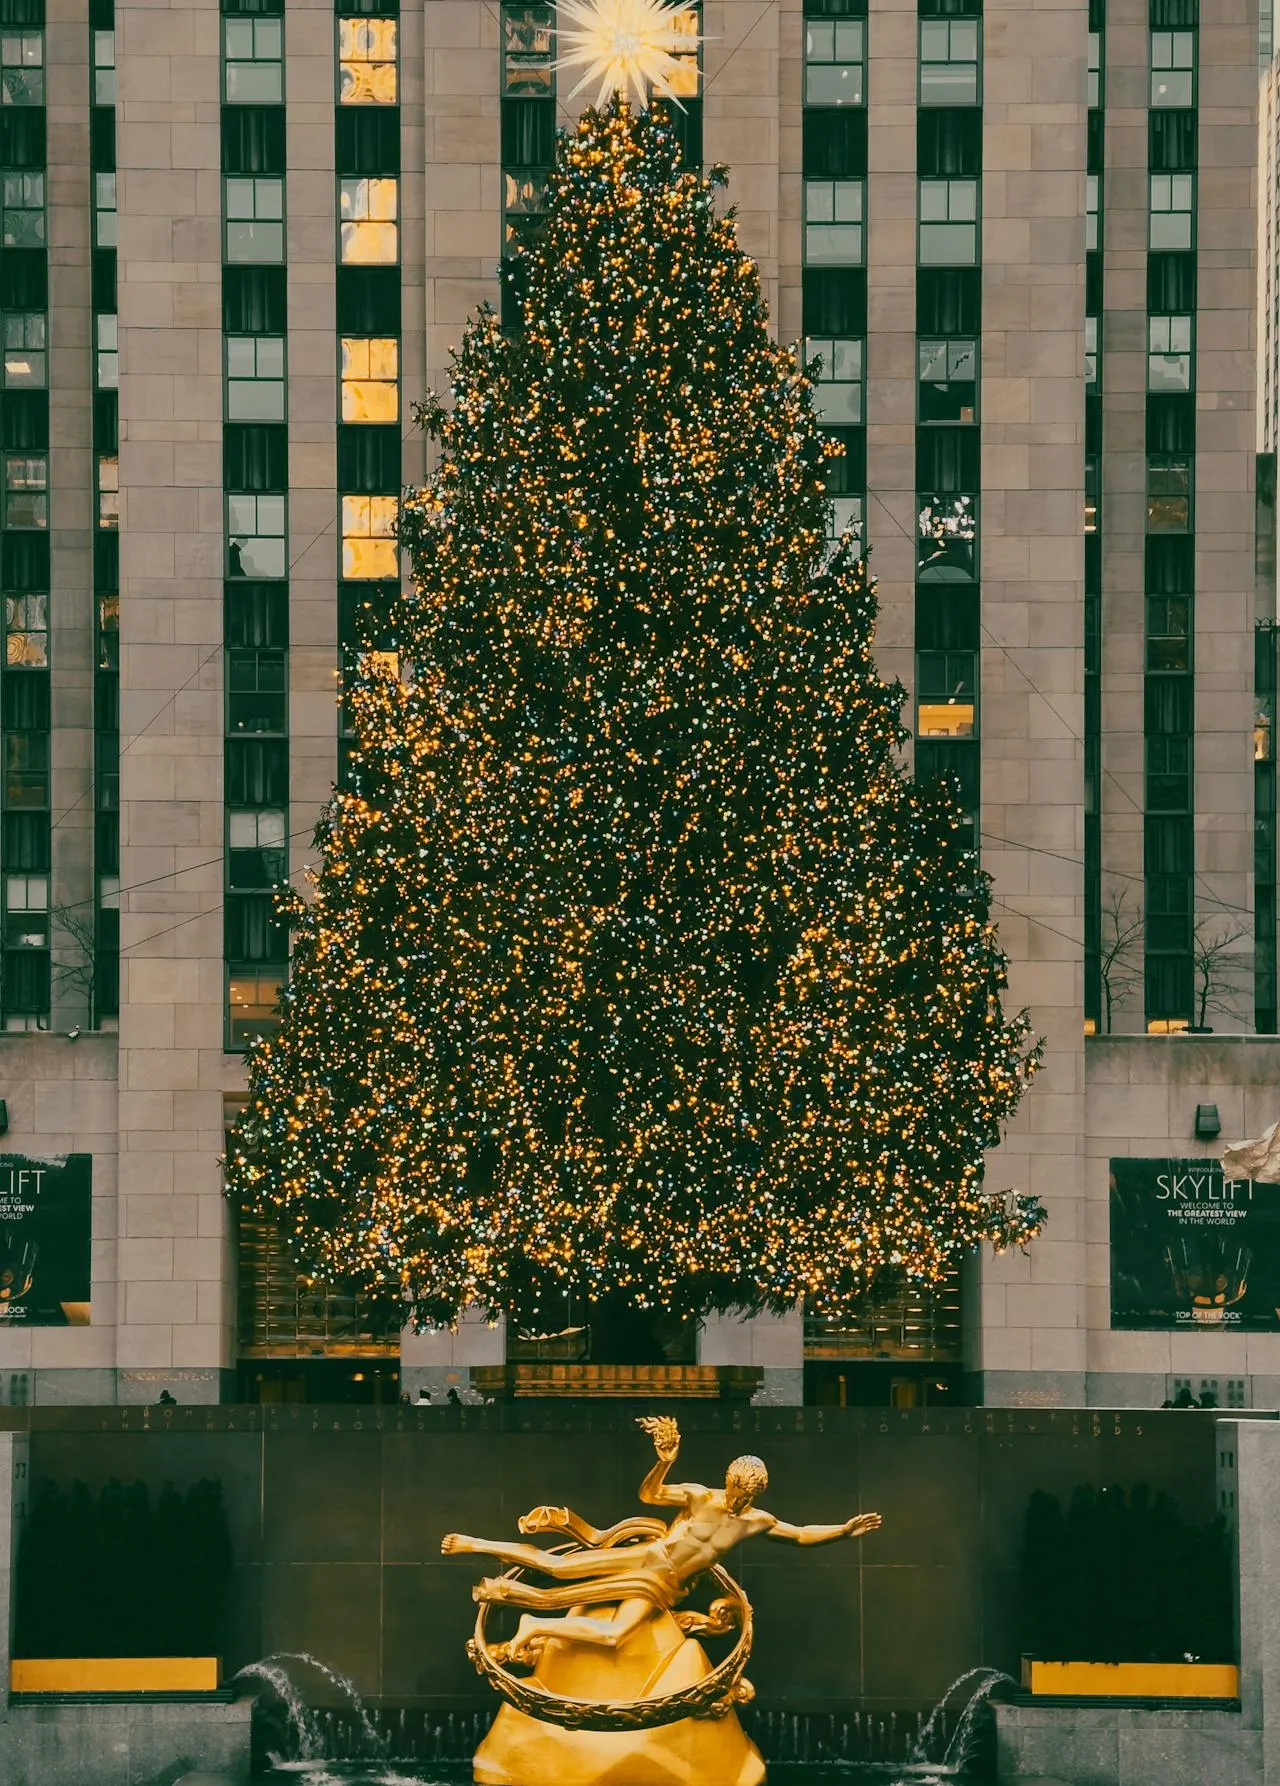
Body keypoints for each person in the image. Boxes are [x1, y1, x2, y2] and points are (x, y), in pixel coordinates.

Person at [442, 1414, 880, 1660]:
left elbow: (801, 1535)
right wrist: (664, 1461)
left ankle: (535, 1624)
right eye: (734, 1489)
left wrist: (843, 1531)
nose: (736, 1500)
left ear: (757, 1494)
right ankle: (475, 1544)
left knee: (615, 1636)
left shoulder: (757, 1521)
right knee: (557, 1566)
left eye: (745, 1495)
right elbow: (649, 1494)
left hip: (665, 1586)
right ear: (727, 1481)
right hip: (647, 1559)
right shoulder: (698, 1496)